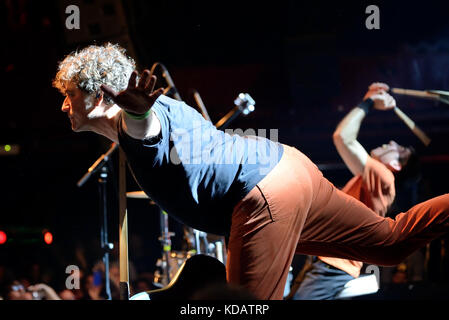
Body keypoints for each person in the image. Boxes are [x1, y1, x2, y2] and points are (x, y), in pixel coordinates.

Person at [53, 43, 449, 300]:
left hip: (264, 193)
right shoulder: (151, 116)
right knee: (392, 242)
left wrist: (137, 112)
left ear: (100, 94)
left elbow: (145, 129)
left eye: (69, 96)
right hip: (290, 168)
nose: (64, 106)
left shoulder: (138, 118)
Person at [290, 82, 416, 300]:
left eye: (400, 150)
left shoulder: (384, 177)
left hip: (336, 264)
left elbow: (343, 137)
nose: (393, 142)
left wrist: (368, 103)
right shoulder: (370, 178)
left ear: (396, 166)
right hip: (329, 260)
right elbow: (343, 139)